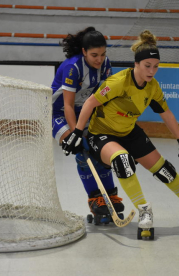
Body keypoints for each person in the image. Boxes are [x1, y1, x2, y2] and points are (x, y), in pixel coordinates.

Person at [61, 30, 179, 235]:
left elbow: (167, 113)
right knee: (123, 161)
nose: (152, 71)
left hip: (128, 131)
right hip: (102, 133)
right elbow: (90, 103)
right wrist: (76, 132)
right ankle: (145, 211)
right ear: (136, 64)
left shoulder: (152, 87)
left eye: (155, 67)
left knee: (163, 168)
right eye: (147, 66)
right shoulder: (119, 82)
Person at [51, 27, 124, 219]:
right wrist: (75, 133)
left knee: (100, 149)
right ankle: (95, 199)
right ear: (84, 52)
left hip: (84, 111)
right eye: (94, 55)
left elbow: (105, 98)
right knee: (82, 151)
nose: (99, 59)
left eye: (102, 54)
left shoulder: (106, 64)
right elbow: (67, 105)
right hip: (57, 113)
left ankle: (110, 196)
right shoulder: (72, 67)